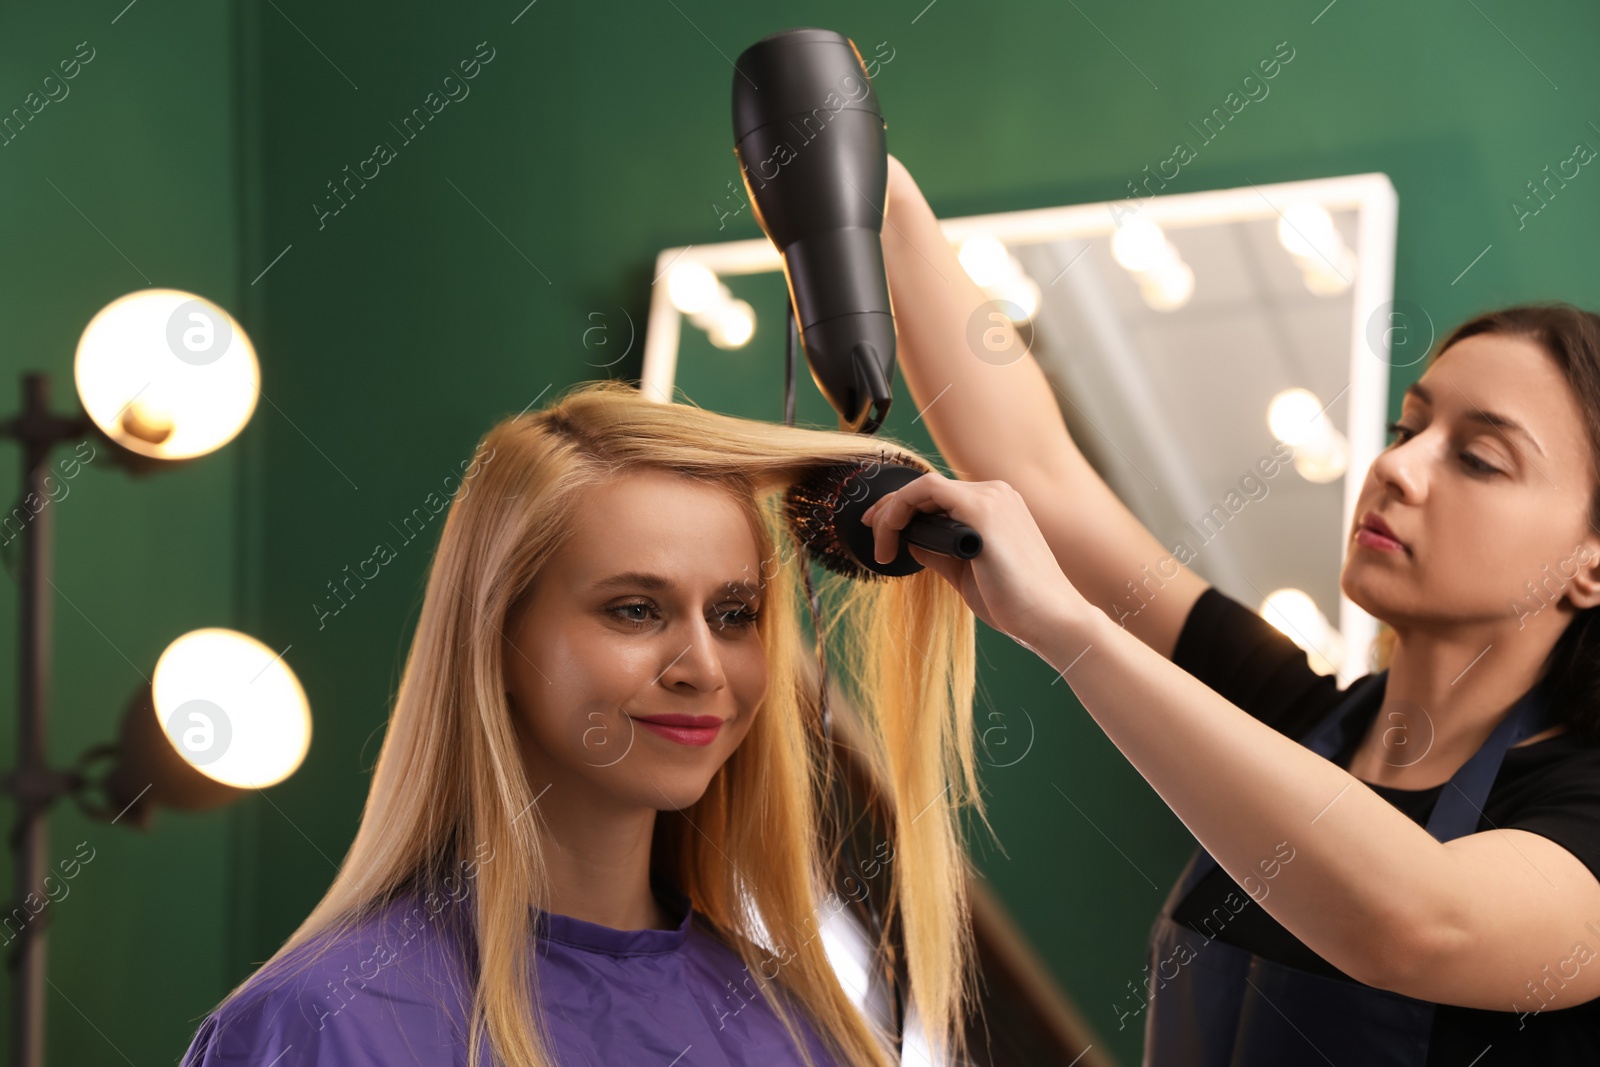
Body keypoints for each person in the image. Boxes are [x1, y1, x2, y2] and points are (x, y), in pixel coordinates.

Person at [863, 153, 1600, 1064]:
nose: (1397, 467)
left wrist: (1071, 628)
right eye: (1409, 429)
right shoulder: (1297, 717)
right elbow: (1044, 477)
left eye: (1480, 458)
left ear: (1592, 564)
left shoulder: (1583, 810)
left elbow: (1417, 922)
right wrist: (884, 196)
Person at [176, 380, 989, 1067]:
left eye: (736, 614)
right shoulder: (322, 1025)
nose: (703, 666)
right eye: (635, 610)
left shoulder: (801, 1032)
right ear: (496, 637)